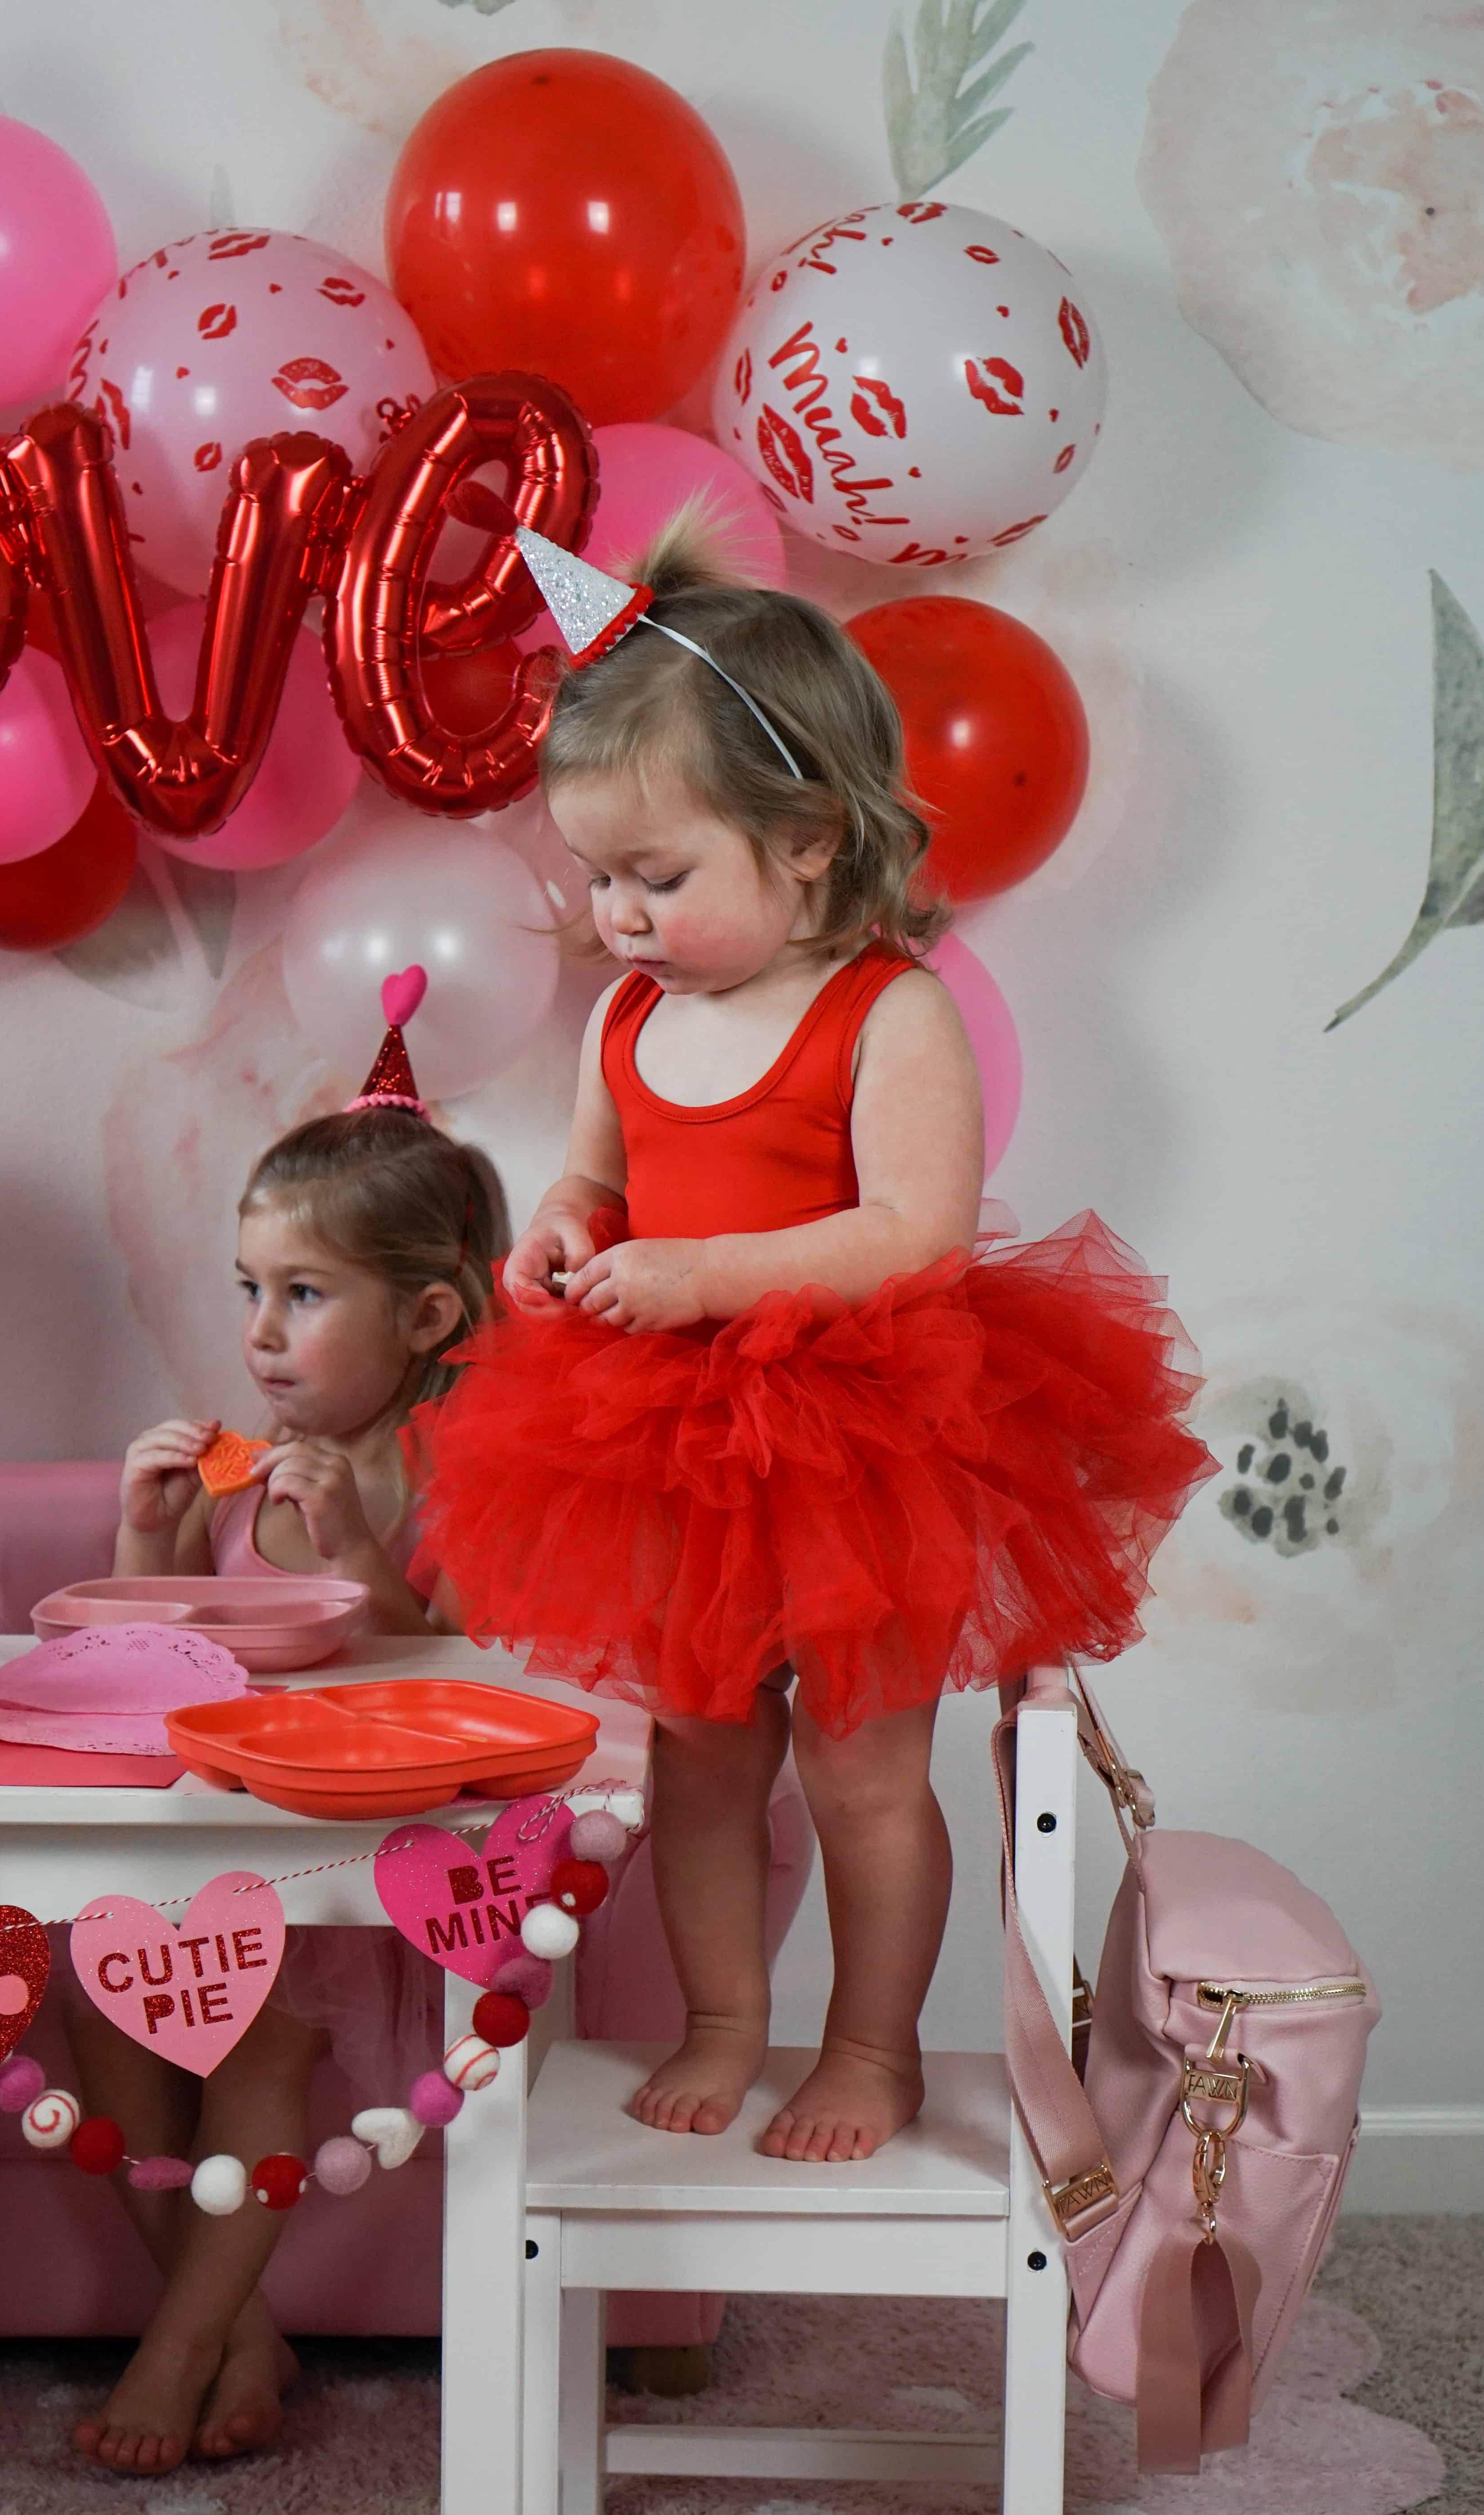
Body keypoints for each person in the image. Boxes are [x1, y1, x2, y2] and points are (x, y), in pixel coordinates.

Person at [417, 514, 1214, 2169]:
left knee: (860, 1775)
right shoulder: (634, 1015)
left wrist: (703, 1274)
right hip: (663, 1440)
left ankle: (870, 2051)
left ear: (806, 840)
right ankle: (724, 2019)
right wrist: (565, 1226)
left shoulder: (885, 1010)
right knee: (705, 1767)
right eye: (598, 880)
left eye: (658, 875)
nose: (618, 918)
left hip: (859, 1436)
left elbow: (907, 1231)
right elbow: (596, 1173)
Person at [66, 1006, 506, 2475]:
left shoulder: (454, 1471)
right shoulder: (244, 1470)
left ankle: (180, 2344)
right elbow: (146, 1650)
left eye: (304, 1295)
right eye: (250, 1288)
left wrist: (357, 1542)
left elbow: (437, 1666)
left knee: (250, 2033)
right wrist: (148, 1526)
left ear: (429, 1319)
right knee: (104, 2036)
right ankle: (240, 2325)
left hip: (335, 1862)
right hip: (194, 1832)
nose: (258, 1332)